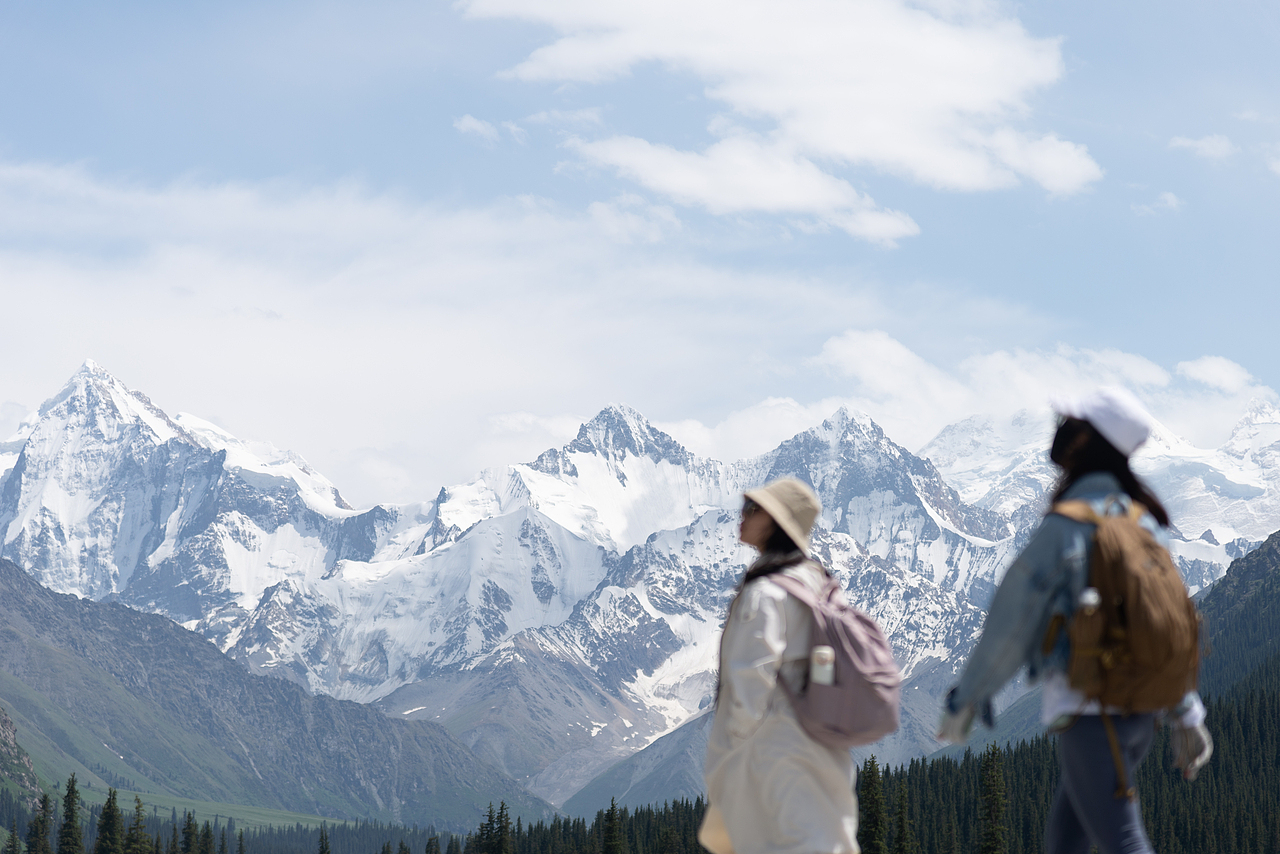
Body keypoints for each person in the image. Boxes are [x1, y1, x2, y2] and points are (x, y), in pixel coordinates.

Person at [937, 387, 1214, 854]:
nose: (1059, 426)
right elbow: (1162, 623)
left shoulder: (1067, 526)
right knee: (1066, 841)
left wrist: (968, 697)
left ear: (1089, 440)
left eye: (1071, 421)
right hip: (1138, 716)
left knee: (1124, 839)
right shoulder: (1143, 522)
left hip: (1091, 715)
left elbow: (1011, 626)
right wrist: (1186, 711)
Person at [698, 478, 860, 854]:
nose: (741, 515)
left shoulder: (765, 593)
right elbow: (826, 667)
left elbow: (749, 682)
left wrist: (731, 760)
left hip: (771, 757)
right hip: (821, 748)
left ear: (775, 522)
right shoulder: (820, 586)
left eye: (752, 509)